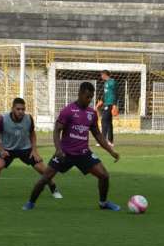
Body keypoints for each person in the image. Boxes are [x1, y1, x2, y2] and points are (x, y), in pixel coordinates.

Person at [24, 82, 120, 211]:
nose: (89, 100)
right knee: (45, 178)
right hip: (65, 153)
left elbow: (97, 134)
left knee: (104, 175)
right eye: (87, 96)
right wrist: (58, 149)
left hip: (83, 153)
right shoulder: (68, 110)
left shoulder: (91, 113)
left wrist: (111, 151)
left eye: (91, 97)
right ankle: (30, 203)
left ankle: (103, 203)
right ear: (79, 94)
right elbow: (57, 130)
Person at [0, 97, 62, 199]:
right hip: (8, 149)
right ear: (12, 109)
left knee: (44, 170)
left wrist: (34, 150)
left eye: (23, 109)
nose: (21, 111)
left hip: (25, 149)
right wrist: (1, 150)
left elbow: (32, 134)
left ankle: (53, 188)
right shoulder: (2, 119)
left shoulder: (28, 118)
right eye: (18, 109)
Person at [97, 70, 117, 145]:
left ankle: (104, 141)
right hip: (106, 103)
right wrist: (101, 101)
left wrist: (114, 105)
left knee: (104, 120)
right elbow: (106, 94)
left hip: (110, 104)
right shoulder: (105, 83)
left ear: (105, 74)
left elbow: (115, 93)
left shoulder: (112, 82)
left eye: (102, 75)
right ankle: (110, 141)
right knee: (108, 122)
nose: (101, 76)